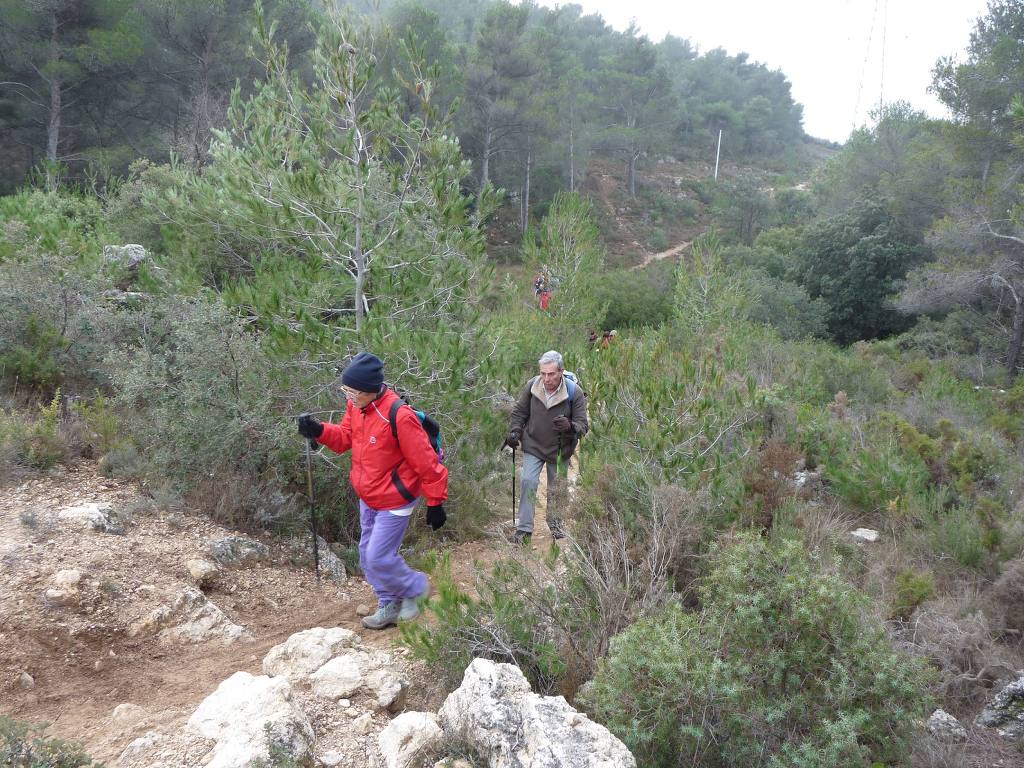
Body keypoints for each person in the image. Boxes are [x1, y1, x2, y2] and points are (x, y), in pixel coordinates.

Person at [297, 352, 447, 630]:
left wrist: (436, 502)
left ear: (371, 390)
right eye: (346, 390)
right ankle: (388, 602)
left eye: (353, 391)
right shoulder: (357, 406)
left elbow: (427, 463)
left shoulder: (398, 415)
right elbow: (344, 439)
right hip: (368, 494)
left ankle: (417, 588)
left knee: (378, 556)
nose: (349, 396)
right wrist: (319, 430)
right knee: (367, 555)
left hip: (396, 498)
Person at [504, 350, 589, 543]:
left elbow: (583, 426)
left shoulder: (574, 392)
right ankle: (524, 530)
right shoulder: (532, 386)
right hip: (534, 443)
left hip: (560, 449)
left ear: (560, 371)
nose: (546, 378)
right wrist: (515, 431)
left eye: (551, 374)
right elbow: (520, 412)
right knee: (528, 481)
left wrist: (570, 427)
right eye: (543, 373)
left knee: (556, 488)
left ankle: (556, 525)